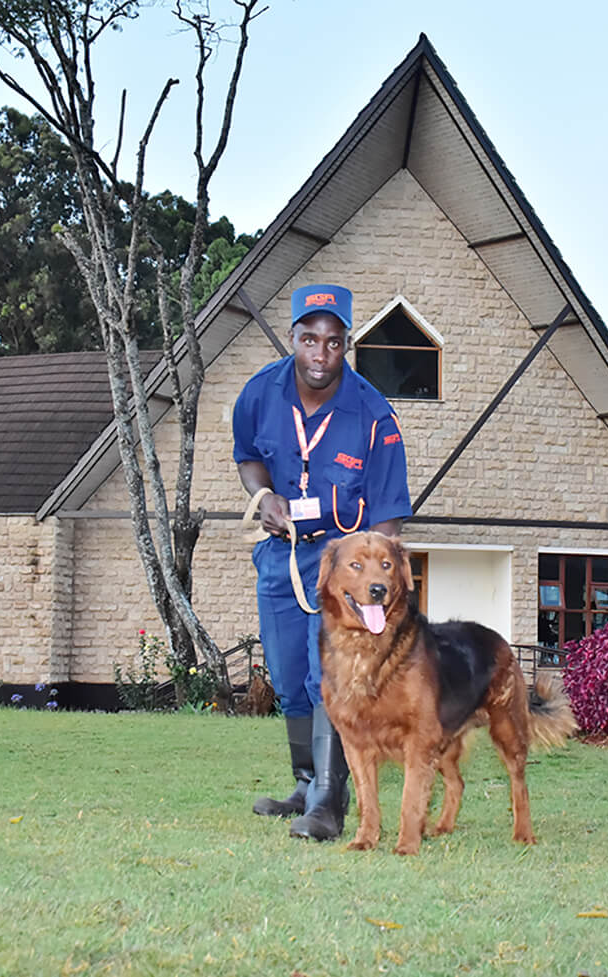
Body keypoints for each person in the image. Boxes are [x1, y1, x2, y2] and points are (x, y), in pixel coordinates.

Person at [232, 283, 411, 841]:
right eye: (309, 339)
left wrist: (366, 585)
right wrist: (264, 498)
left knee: (326, 678)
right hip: (280, 557)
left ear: (346, 344)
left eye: (333, 342)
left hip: (341, 567)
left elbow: (386, 520)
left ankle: (331, 804)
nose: (320, 354)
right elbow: (248, 457)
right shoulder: (260, 392)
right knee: (287, 676)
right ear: (294, 338)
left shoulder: (373, 415)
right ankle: (307, 783)